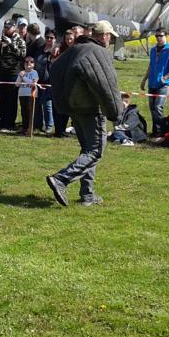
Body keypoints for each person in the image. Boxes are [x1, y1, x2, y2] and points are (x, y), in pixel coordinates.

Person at [46, 20, 122, 207]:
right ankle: (61, 179)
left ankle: (87, 194)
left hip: (75, 108)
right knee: (95, 151)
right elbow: (106, 85)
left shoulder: (76, 49)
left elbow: (54, 68)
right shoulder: (98, 52)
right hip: (91, 110)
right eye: (110, 36)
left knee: (87, 150)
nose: (110, 40)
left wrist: (65, 102)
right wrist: (116, 112)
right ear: (104, 35)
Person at [0, 20, 27, 132]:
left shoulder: (19, 40)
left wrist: (11, 44)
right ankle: (2, 122)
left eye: (8, 28)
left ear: (14, 27)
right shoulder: (1, 38)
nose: (6, 29)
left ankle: (10, 124)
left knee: (11, 100)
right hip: (1, 72)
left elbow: (22, 55)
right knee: (2, 99)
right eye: (5, 27)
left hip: (13, 73)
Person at [140, 27, 169, 136]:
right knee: (152, 108)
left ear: (166, 36)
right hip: (152, 83)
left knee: (158, 107)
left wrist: (165, 78)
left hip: (164, 85)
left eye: (161, 35)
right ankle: (156, 132)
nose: (158, 38)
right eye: (156, 36)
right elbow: (151, 65)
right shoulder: (153, 50)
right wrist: (144, 80)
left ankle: (163, 130)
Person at [16, 55, 39, 135]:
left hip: (31, 95)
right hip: (22, 94)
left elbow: (33, 83)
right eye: (26, 62)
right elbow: (17, 84)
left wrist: (24, 77)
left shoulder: (35, 72)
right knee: (23, 112)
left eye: (31, 62)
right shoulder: (21, 72)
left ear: (34, 64)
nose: (29, 63)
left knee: (30, 112)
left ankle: (31, 128)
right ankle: (24, 128)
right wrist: (20, 76)